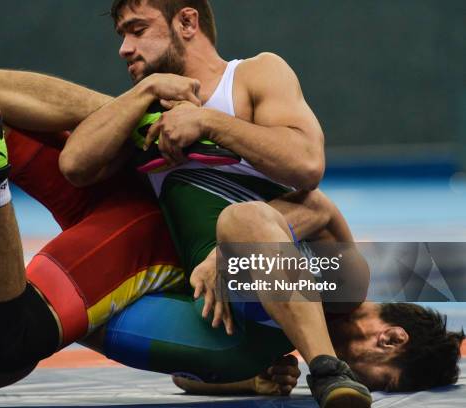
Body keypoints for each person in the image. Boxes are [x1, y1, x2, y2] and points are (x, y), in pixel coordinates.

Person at [0, 104, 464, 407]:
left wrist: (247, 381)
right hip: (149, 227)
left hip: (142, 258)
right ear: (390, 340)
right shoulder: (347, 283)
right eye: (377, 381)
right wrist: (225, 262)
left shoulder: (286, 336)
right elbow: (257, 217)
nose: (371, 384)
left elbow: (187, 375)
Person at [60, 0, 368, 405]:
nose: (124, 48)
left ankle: (329, 369)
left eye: (137, 30)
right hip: (246, 300)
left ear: (187, 21)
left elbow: (308, 169)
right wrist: (146, 90)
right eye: (122, 35)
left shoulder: (253, 74)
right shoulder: (143, 113)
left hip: (320, 271)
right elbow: (75, 166)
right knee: (66, 318)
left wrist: (209, 122)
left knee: (246, 222)